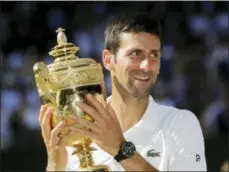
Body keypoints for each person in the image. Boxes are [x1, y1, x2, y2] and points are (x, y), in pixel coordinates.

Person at [39, 12, 207, 171]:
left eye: (154, 55)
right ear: (108, 60)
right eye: (136, 54)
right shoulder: (76, 130)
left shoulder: (180, 124)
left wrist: (121, 149)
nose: (147, 66)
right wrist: (54, 165)